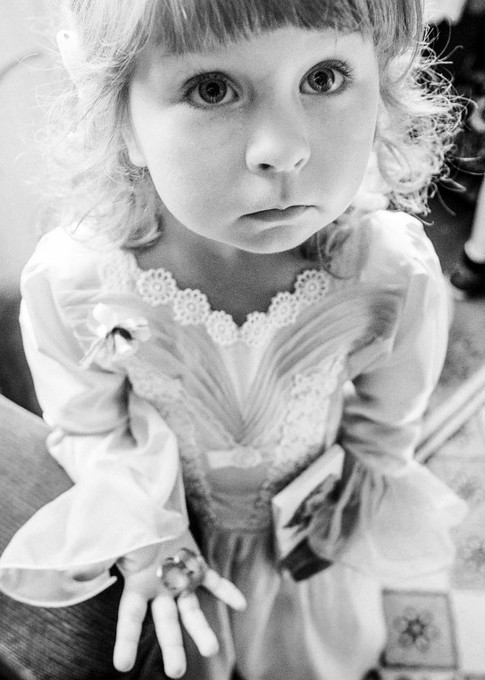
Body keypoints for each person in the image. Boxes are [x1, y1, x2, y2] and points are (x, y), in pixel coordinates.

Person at [0, 1, 468, 679]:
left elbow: (385, 425)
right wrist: (147, 533)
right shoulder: (78, 282)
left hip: (308, 548)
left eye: (324, 77)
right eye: (212, 89)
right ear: (122, 119)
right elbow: (89, 426)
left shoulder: (388, 272)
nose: (282, 149)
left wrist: (339, 513)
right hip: (175, 533)